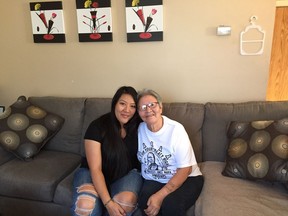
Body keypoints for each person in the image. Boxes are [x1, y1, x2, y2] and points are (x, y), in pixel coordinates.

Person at [71, 86, 143, 216]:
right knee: (85, 206)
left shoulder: (140, 126)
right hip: (92, 172)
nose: (127, 110)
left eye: (132, 106)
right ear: (114, 103)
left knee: (125, 204)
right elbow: (95, 169)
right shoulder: (97, 126)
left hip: (127, 172)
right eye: (122, 104)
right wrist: (108, 203)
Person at [136, 89, 204, 216]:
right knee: (145, 202)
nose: (148, 110)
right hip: (155, 178)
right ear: (139, 112)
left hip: (187, 177)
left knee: (171, 204)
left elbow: (185, 170)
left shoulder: (176, 130)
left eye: (152, 105)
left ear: (160, 107)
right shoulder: (140, 129)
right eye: (143, 107)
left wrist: (160, 196)